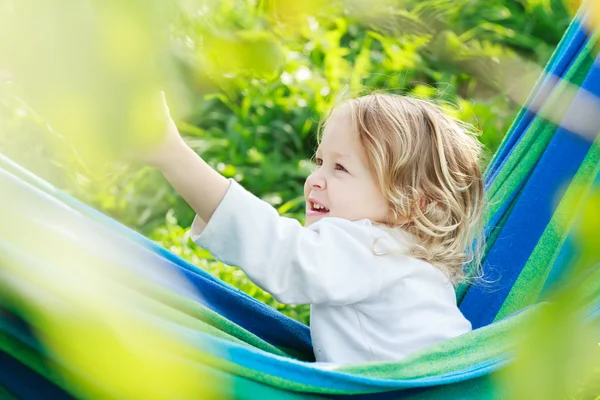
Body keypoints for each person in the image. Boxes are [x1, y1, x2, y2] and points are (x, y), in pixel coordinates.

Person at [142, 91, 485, 365]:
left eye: (340, 168)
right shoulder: (408, 258)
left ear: (410, 202)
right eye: (320, 162)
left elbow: (284, 255)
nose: (315, 180)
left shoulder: (374, 248)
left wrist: (173, 156)